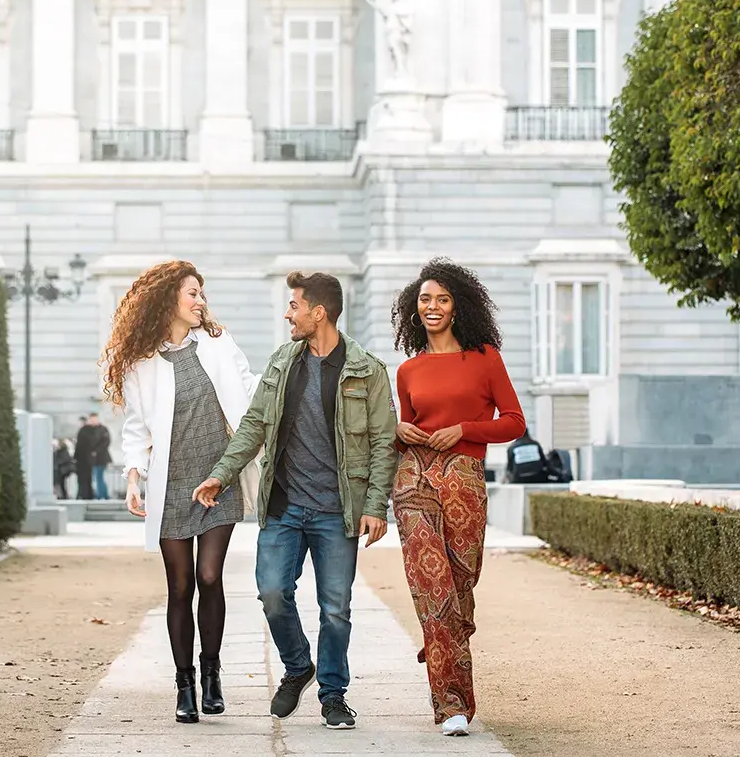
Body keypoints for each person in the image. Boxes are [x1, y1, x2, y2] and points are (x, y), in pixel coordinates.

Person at [193, 271, 398, 732]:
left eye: (294, 306)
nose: (288, 313)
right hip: (284, 506)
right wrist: (220, 475)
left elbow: (386, 444)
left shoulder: (367, 370)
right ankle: (297, 665)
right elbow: (254, 425)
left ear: (318, 312)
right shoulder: (284, 362)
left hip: (336, 510)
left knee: (335, 608)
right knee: (271, 592)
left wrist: (375, 506)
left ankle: (333, 695)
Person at [108, 261, 261, 725]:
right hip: (171, 482)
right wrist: (133, 476)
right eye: (192, 293)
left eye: (202, 293)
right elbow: (136, 425)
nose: (200, 301)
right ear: (168, 299)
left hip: (219, 477)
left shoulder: (218, 342)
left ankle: (212, 673)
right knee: (180, 585)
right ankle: (185, 684)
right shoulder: (141, 362)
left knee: (210, 576)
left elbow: (251, 387)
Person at [389, 257, 525, 737]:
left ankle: (445, 636)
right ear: (414, 307)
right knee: (433, 586)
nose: (432, 306)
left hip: (464, 476)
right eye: (425, 299)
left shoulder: (485, 357)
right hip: (414, 478)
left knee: (461, 584)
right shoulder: (407, 370)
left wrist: (465, 430)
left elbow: (514, 421)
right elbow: (404, 429)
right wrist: (399, 430)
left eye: (442, 299)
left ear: (457, 306)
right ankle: (452, 704)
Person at [84, 412, 113, 500]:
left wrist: (96, 451)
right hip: (93, 459)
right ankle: (102, 494)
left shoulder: (103, 429)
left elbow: (106, 442)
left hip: (101, 458)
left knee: (98, 476)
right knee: (97, 477)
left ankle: (102, 495)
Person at [73, 415, 96, 499]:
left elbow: (79, 447)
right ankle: (89, 494)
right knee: (88, 478)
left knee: (81, 479)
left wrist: (75, 457)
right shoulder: (92, 431)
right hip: (89, 459)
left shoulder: (82, 432)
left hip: (82, 459)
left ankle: (82, 494)